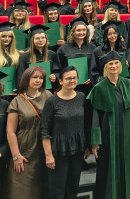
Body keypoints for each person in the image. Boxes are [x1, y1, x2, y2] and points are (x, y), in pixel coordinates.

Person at [88, 51, 130, 199]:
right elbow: (95, 116)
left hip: (125, 134)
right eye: (110, 64)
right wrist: (95, 142)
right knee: (108, 170)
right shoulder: (99, 88)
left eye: (116, 63)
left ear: (121, 65)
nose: (114, 66)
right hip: (107, 135)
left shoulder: (128, 85)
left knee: (125, 167)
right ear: (106, 67)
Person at [41, 66, 89, 199]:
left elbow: (86, 123)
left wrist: (86, 146)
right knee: (57, 192)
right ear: (60, 81)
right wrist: (48, 155)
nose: (72, 81)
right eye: (68, 78)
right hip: (58, 151)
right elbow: (44, 130)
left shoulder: (81, 97)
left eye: (74, 78)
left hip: (77, 150)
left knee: (73, 189)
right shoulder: (51, 101)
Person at [6, 66, 52, 198]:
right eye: (34, 77)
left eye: (41, 78)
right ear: (26, 79)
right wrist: (16, 156)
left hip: (45, 148)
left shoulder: (48, 95)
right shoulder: (16, 101)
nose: (38, 80)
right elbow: (10, 132)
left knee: (44, 189)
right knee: (22, 190)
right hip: (25, 151)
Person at [56, 16, 95, 94]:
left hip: (88, 88)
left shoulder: (92, 48)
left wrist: (91, 78)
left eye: (84, 30)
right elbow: (58, 69)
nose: (81, 32)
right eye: (78, 30)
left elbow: (95, 67)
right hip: (69, 87)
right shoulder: (63, 49)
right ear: (73, 32)